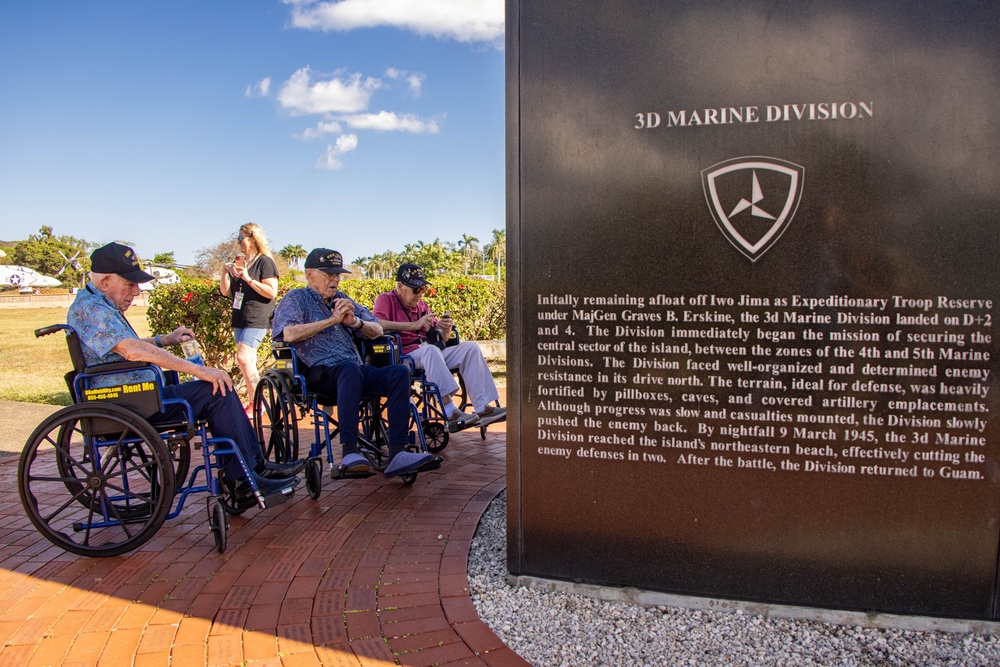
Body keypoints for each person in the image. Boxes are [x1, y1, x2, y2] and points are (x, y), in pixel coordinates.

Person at [68, 242, 304, 509]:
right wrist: (200, 370)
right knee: (215, 389)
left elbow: (119, 345)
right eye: (130, 284)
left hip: (135, 395)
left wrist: (165, 339)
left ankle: (256, 468)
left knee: (218, 387)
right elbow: (130, 350)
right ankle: (243, 480)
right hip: (128, 402)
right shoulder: (90, 309)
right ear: (106, 280)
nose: (136, 290)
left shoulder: (97, 304)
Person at [271, 248, 437, 478]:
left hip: (355, 370)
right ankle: (349, 452)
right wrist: (332, 321)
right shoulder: (296, 298)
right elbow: (287, 333)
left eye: (337, 274)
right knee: (349, 370)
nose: (335, 279)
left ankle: (398, 452)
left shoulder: (343, 299)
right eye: (329, 274)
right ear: (310, 274)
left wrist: (355, 322)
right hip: (319, 374)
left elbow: (377, 327)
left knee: (398, 372)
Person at [372, 263, 505, 433]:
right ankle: (451, 412)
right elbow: (378, 324)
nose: (419, 294)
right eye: (415, 290)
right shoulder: (385, 299)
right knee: (430, 351)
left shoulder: (422, 305)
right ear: (400, 286)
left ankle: (483, 408)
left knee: (471, 348)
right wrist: (413, 326)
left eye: (422, 289)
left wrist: (445, 329)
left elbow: (441, 339)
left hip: (429, 351)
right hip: (404, 355)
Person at [219, 222, 279, 409]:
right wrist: (225, 272)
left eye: (241, 238)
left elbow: (272, 291)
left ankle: (259, 403)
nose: (238, 243)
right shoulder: (242, 262)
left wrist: (248, 278)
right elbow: (225, 292)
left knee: (243, 358)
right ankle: (255, 401)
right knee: (248, 360)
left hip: (257, 317)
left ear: (253, 237)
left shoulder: (265, 262)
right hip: (240, 318)